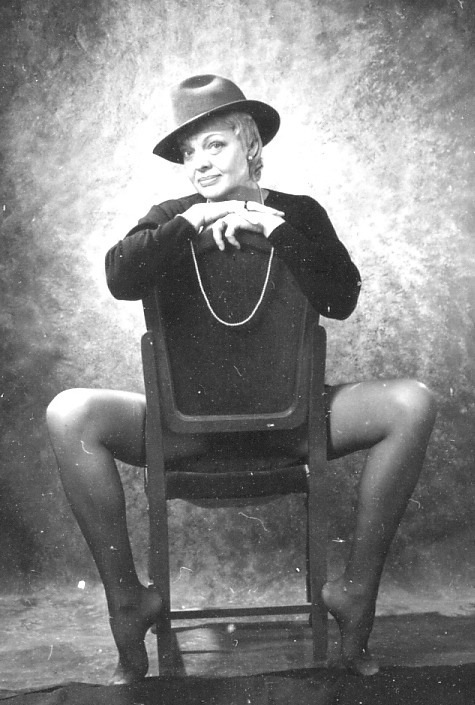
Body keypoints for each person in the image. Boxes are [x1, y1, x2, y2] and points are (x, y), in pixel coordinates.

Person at [46, 74, 437, 683]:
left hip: (294, 427)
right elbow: (120, 278)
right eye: (188, 153)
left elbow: (341, 298)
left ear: (250, 146)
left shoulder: (299, 214)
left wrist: (272, 228)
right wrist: (198, 219)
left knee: (413, 402)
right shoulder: (170, 217)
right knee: (69, 411)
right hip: (184, 434)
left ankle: (355, 593)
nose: (199, 163)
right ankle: (128, 601)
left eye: (214, 145)